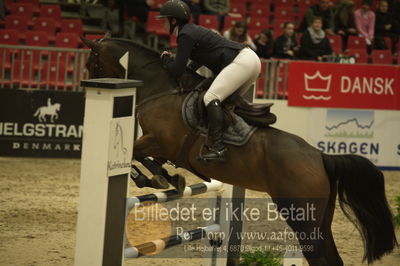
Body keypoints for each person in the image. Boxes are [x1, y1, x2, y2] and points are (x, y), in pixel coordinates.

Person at [158, 0, 261, 162]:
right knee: (226, 103)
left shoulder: (184, 35)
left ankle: (218, 148)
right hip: (251, 61)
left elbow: (177, 70)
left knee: (210, 98)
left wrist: (165, 59)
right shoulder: (192, 31)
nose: (162, 24)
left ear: (173, 21)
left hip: (242, 61)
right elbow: (198, 59)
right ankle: (238, 140)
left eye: (164, 20)